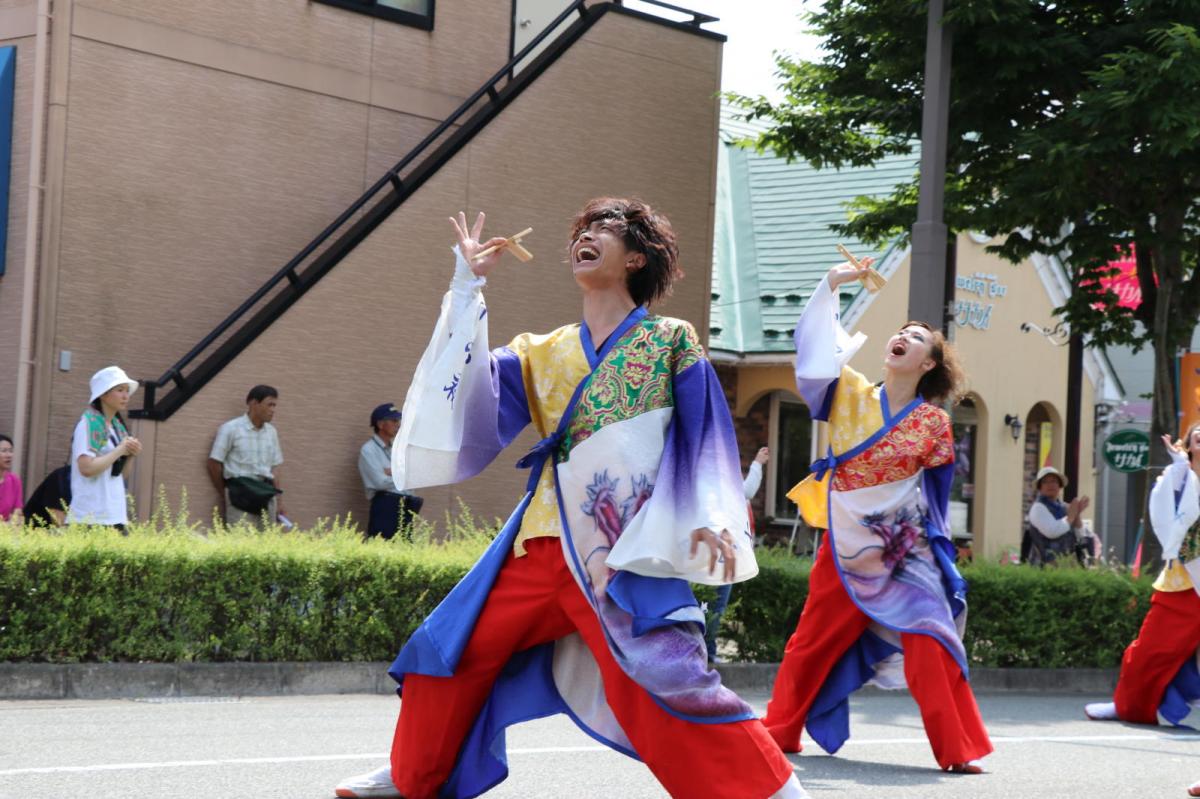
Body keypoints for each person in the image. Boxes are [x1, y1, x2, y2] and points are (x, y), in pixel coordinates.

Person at [334, 201, 805, 799]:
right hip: (537, 543)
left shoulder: (669, 340)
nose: (586, 236)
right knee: (445, 648)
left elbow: (705, 437)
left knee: (668, 677)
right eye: (582, 230)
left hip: (622, 551)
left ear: (636, 258)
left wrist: (712, 516)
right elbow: (470, 398)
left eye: (603, 230)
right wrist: (466, 286)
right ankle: (413, 776)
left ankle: (773, 790)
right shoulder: (542, 350)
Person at [760, 258, 993, 773]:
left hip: (904, 549)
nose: (903, 337)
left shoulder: (933, 423)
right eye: (901, 332)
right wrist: (831, 284)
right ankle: (780, 731)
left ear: (928, 364)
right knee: (812, 641)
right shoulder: (847, 392)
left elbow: (937, 496)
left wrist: (940, 551)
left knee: (931, 641)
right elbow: (814, 352)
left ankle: (957, 748)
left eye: (916, 337)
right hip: (846, 542)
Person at [1085, 424, 1200, 737]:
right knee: (1148, 653)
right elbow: (1167, 513)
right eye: (1198, 435)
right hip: (1183, 582)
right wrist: (1180, 466)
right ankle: (1130, 706)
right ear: (1188, 445)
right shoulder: (1179, 477)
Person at [705, 445, 769, 663]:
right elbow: (747, 491)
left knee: (714, 606)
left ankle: (708, 651)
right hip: (720, 557)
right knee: (714, 606)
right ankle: (707, 652)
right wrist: (757, 463)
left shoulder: (717, 479)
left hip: (724, 556)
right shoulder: (720, 482)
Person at [67, 366, 142, 530]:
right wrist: (119, 450)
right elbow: (86, 468)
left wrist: (130, 455)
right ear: (103, 394)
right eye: (120, 390)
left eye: (127, 390)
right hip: (89, 517)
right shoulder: (88, 424)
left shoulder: (118, 427)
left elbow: (120, 475)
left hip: (115, 515)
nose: (126, 396)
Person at [208, 385, 287, 528]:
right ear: (254, 403)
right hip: (240, 495)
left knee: (267, 540)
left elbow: (275, 468)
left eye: (274, 405)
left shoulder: (272, 432)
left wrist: (279, 501)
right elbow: (214, 463)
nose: (273, 410)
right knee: (240, 539)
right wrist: (225, 492)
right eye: (269, 404)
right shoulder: (230, 428)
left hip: (266, 494)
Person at [358, 403, 422, 540]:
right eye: (393, 421)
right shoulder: (369, 450)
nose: (398, 424)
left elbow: (412, 475)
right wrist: (401, 475)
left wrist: (392, 472)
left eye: (398, 421)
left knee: (405, 546)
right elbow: (379, 482)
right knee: (382, 544)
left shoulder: (396, 450)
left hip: (406, 506)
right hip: (386, 506)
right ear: (380, 424)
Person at [1025, 466, 1091, 566]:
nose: (1050, 485)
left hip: (1067, 564)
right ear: (1040, 487)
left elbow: (1080, 535)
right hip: (1044, 566)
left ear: (1060, 485)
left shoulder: (1065, 507)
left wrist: (1076, 514)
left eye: (1054, 481)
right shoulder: (1038, 508)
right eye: (1045, 482)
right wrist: (1070, 517)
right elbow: (1052, 531)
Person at [0, 434, 24, 524]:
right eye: (4, 451)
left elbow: (17, 513)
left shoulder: (14, 481)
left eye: (10, 451)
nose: (9, 455)